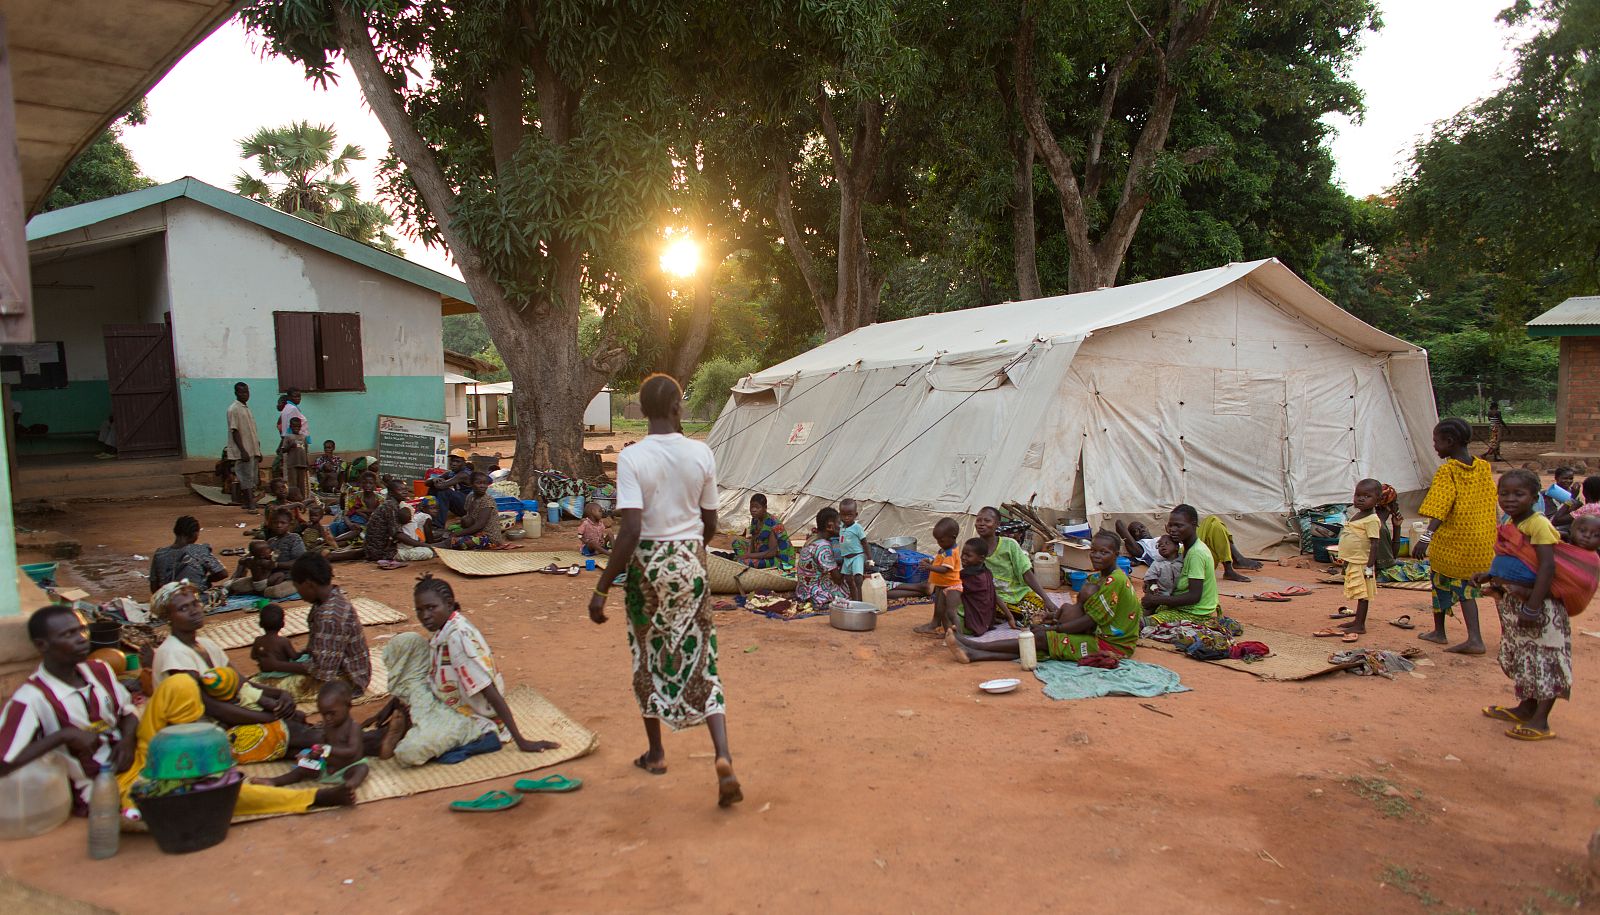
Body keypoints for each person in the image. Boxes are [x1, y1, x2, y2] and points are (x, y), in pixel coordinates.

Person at [589, 373, 742, 808]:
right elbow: (710, 522)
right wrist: (690, 549)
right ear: (677, 407)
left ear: (641, 410)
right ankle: (723, 755)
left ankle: (656, 753)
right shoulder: (701, 452)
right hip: (691, 564)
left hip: (647, 570)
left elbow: (631, 529)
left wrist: (602, 587)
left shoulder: (633, 458)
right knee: (702, 656)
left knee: (646, 657)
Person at [1474, 469, 1590, 741]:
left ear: (1535, 497)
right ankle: (1526, 707)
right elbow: (1513, 558)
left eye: (1519, 494)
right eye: (1504, 493)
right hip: (1518, 602)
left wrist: (1534, 606)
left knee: (1546, 659)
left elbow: (1547, 566)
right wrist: (1490, 575)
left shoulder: (1538, 524)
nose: (1510, 499)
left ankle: (1541, 721)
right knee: (1525, 656)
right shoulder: (1511, 523)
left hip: (1541, 607)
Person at [0, 605, 138, 811]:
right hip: (97, 785)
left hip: (133, 757)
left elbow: (127, 711)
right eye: (68, 634)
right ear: (42, 645)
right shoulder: (32, 698)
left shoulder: (99, 670)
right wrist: (63, 736)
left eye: (82, 629)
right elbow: (4, 762)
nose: (82, 638)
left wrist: (127, 740)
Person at [414, 574, 559, 756]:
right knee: (406, 643)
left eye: (431, 608)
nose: (424, 616)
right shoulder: (446, 628)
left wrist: (520, 740)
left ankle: (487, 738)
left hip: (476, 716)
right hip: (451, 702)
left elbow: (489, 691)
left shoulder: (458, 639)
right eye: (419, 610)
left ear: (449, 604)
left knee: (411, 750)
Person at [946, 531, 1140, 664]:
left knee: (1043, 639)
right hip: (1097, 633)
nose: (1096, 556)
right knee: (1041, 642)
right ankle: (974, 651)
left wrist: (1055, 628)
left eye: (1103, 553)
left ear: (1116, 555)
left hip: (1112, 646)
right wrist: (1053, 623)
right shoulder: (1099, 576)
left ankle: (974, 649)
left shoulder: (1114, 581)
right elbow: (1084, 613)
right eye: (1094, 551)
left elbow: (1088, 620)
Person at [1412, 418, 1496, 655]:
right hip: (1481, 543)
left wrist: (1426, 539)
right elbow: (1491, 502)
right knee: (1458, 585)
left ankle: (1472, 639)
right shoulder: (1483, 467)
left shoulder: (1448, 471)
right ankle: (1438, 632)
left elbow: (1440, 508)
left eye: (1436, 442)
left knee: (1454, 587)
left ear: (1449, 442)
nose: (1435, 447)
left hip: (1454, 544)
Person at [362, 631, 498, 765]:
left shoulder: (410, 685)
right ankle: (399, 736)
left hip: (453, 723)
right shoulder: (431, 670)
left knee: (407, 750)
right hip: (453, 714)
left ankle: (398, 737)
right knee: (366, 739)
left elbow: (423, 709)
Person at [255, 681, 368, 790]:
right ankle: (275, 781)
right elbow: (322, 747)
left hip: (347, 768)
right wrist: (312, 755)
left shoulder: (353, 727)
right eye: (324, 714)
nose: (327, 718)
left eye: (332, 713)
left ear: (348, 706)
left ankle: (349, 786)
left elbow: (351, 751)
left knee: (362, 769)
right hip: (327, 768)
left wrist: (327, 749)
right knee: (303, 768)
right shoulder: (328, 726)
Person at [286, 554, 371, 695]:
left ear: (309, 585)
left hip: (347, 680)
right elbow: (321, 647)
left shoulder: (329, 616)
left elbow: (322, 670)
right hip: (342, 668)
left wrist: (280, 666)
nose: (298, 593)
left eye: (297, 587)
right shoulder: (328, 598)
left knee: (269, 687)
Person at [1316, 479, 1383, 642]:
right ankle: (1356, 620)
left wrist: (1369, 566)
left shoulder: (1372, 520)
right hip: (1354, 561)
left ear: (1377, 500)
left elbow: (1375, 544)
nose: (1361, 499)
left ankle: (1360, 624)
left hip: (1363, 563)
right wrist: (1346, 562)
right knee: (1358, 591)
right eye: (1358, 495)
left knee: (1363, 594)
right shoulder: (1357, 515)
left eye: (1367, 496)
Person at [1140, 505, 1221, 624]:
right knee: (1130, 612)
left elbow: (1194, 596)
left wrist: (1157, 600)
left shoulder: (1196, 554)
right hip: (1177, 605)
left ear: (1193, 525)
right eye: (1171, 525)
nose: (1172, 529)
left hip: (1194, 612)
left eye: (1179, 525)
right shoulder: (1182, 551)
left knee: (1141, 624)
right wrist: (1153, 586)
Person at [974, 506, 1050, 624]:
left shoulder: (1010, 545)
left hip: (1018, 594)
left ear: (997, 524)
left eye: (987, 521)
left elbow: (1026, 573)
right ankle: (1006, 615)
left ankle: (1005, 616)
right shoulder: (974, 548)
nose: (981, 524)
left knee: (1040, 610)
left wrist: (1046, 599)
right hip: (994, 598)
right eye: (978, 520)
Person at [148, 516, 228, 592]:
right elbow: (222, 573)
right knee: (223, 590)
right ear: (194, 534)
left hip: (168, 601)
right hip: (195, 599)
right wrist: (206, 579)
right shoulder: (199, 550)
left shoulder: (160, 553)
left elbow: (154, 587)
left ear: (175, 531)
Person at [913, 518, 963, 635]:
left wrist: (929, 567)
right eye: (937, 540)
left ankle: (955, 635)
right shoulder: (944, 549)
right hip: (942, 585)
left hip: (951, 586)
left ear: (953, 537)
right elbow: (939, 563)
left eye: (941, 540)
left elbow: (945, 569)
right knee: (939, 609)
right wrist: (930, 562)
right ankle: (940, 628)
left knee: (948, 612)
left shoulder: (951, 552)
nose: (939, 543)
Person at [794, 507, 850, 612]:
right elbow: (838, 579)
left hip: (803, 591)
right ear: (830, 526)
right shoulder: (823, 547)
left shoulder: (813, 540)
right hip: (816, 595)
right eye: (839, 523)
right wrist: (848, 557)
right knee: (854, 584)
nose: (842, 526)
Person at [731, 494, 794, 570]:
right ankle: (744, 559)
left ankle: (744, 560)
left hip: (778, 558)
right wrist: (750, 553)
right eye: (751, 507)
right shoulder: (755, 519)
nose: (753, 510)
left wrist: (748, 556)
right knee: (736, 543)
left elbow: (771, 553)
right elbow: (753, 540)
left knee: (743, 562)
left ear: (765, 508)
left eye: (757, 507)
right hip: (761, 549)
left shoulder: (773, 524)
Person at [364, 497, 434, 566]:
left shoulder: (394, 505)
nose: (405, 492)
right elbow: (399, 535)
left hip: (379, 548)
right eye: (400, 489)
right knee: (428, 552)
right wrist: (428, 545)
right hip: (384, 552)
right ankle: (389, 559)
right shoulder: (390, 507)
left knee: (422, 548)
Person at [225, 382, 261, 511]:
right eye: (241, 392)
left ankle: (248, 502)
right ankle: (251, 505)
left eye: (246, 392)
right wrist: (242, 450)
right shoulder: (234, 409)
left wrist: (258, 449)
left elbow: (251, 431)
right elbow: (235, 431)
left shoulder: (246, 408)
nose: (245, 394)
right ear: (236, 393)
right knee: (245, 477)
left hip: (252, 449)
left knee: (252, 477)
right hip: (244, 450)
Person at [250, 603, 310, 680]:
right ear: (282, 624)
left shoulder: (257, 640)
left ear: (260, 624)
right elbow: (294, 657)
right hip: (281, 673)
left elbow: (253, 656)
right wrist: (304, 651)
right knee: (306, 658)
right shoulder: (284, 641)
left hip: (265, 674)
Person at [451, 471, 507, 550]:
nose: (483, 486)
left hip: (489, 537)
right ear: (471, 484)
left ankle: (435, 547)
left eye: (485, 483)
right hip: (475, 532)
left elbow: (479, 525)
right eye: (479, 483)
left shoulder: (487, 500)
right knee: (452, 531)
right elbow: (468, 517)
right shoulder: (470, 497)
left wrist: (457, 534)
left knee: (458, 542)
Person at [424, 449, 475, 527]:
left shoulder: (464, 474)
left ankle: (438, 525)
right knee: (433, 488)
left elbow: (441, 486)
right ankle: (426, 514)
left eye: (457, 461)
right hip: (460, 503)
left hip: (468, 507)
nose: (453, 464)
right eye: (452, 461)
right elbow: (426, 483)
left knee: (444, 492)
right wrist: (434, 480)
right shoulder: (451, 473)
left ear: (464, 463)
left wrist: (436, 481)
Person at [837, 498, 867, 600]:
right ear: (839, 514)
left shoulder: (857, 528)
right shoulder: (841, 526)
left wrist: (869, 558)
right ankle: (855, 600)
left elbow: (865, 542)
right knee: (849, 580)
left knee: (858, 579)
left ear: (856, 514)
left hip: (857, 556)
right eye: (843, 515)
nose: (846, 518)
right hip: (846, 558)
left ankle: (861, 601)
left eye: (849, 515)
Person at [280, 416, 311, 497]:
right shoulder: (288, 437)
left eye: (298, 426)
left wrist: (307, 463)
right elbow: (283, 450)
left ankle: (302, 499)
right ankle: (293, 499)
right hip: (292, 464)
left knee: (302, 484)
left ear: (300, 426)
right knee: (293, 483)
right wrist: (290, 445)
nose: (296, 428)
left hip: (302, 464)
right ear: (291, 426)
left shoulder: (303, 437)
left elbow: (305, 451)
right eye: (294, 426)